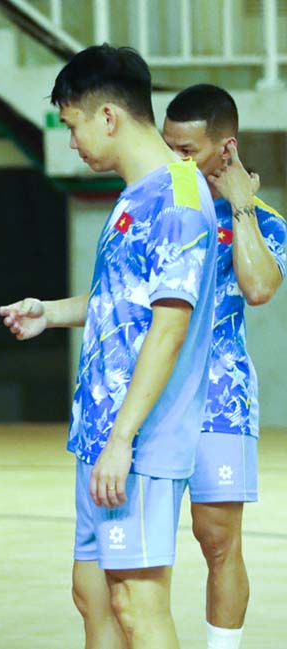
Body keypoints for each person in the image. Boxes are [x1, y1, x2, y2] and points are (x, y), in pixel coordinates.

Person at [0, 45, 217, 649]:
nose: (71, 141)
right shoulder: (133, 198)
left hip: (138, 442)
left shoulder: (178, 198)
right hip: (101, 437)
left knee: (135, 601)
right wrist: (51, 313)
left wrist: (122, 440)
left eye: (71, 126)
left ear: (109, 118)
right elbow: (118, 305)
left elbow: (169, 328)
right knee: (92, 594)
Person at [162, 84, 287, 649]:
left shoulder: (265, 221)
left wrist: (239, 206)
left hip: (221, 399)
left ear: (225, 147)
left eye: (187, 149)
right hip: (153, 397)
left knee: (218, 541)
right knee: (146, 543)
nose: (175, 159)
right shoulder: (159, 206)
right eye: (169, 147)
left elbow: (259, 287)